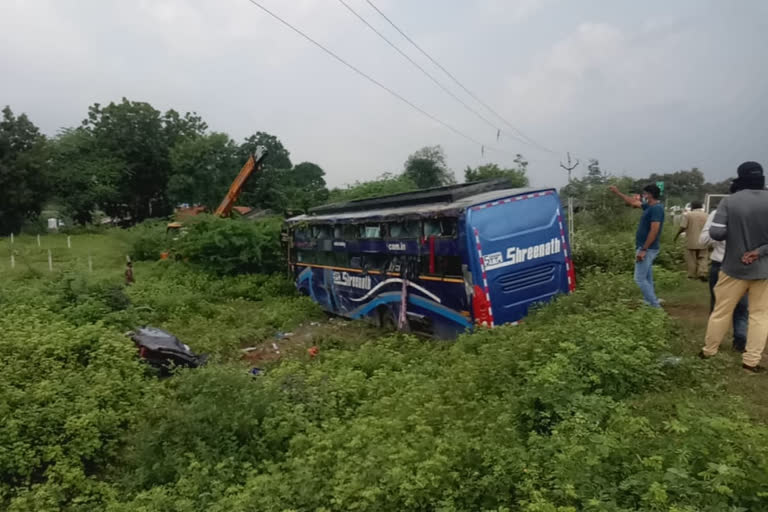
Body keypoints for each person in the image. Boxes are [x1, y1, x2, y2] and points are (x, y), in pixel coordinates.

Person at [700, 161, 768, 372]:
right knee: (760, 315)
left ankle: (709, 351)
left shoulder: (730, 202)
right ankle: (751, 361)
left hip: (733, 268)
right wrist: (759, 251)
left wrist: (737, 232)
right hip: (763, 269)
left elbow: (716, 233)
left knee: (721, 311)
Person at [699, 185, 748, 352]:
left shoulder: (754, 215)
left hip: (745, 265)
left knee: (743, 306)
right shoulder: (717, 214)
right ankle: (714, 341)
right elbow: (704, 239)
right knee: (720, 306)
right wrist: (722, 234)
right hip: (722, 264)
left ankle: (740, 340)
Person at [609, 183, 665, 308]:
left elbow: (654, 230)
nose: (642, 196)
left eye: (645, 194)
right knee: (647, 277)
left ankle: (655, 306)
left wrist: (644, 249)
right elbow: (633, 203)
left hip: (647, 248)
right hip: (645, 247)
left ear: (650, 195)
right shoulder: (649, 206)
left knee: (639, 279)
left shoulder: (656, 209)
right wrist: (617, 192)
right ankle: (649, 301)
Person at [674, 200, 709, 280]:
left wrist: (677, 235)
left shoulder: (688, 215)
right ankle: (702, 273)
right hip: (703, 241)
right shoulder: (706, 215)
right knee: (703, 257)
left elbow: (683, 227)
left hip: (691, 240)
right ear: (701, 206)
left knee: (691, 258)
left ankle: (691, 275)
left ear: (692, 207)